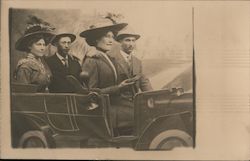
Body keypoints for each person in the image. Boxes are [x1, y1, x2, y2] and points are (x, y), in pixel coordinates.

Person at [80, 17, 135, 132]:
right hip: (103, 107)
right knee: (137, 115)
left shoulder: (109, 58)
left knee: (141, 110)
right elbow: (91, 92)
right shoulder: (92, 60)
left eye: (112, 37)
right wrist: (118, 87)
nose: (111, 40)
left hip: (115, 102)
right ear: (96, 39)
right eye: (107, 36)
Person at [14, 16, 55, 92]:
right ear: (29, 46)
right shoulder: (25, 66)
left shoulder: (42, 63)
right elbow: (23, 94)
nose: (42, 48)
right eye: (38, 44)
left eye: (44, 45)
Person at [114, 26, 153, 99]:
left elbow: (144, 83)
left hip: (134, 102)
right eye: (127, 40)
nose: (131, 44)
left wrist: (153, 96)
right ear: (120, 42)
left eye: (133, 40)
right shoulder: (112, 59)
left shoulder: (137, 62)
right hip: (118, 103)